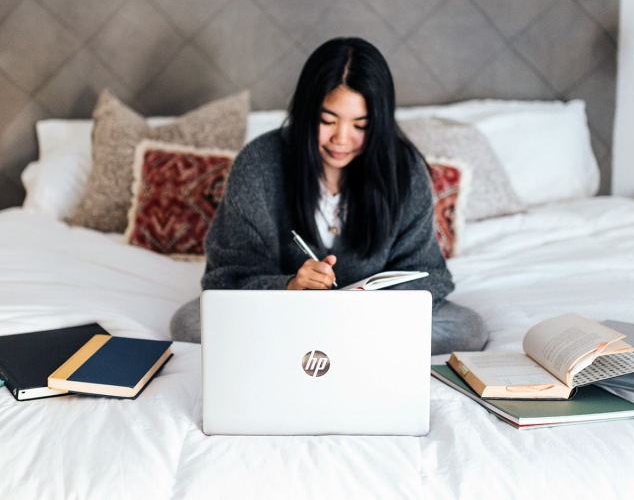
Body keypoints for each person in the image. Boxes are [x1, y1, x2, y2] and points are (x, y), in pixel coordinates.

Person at [171, 37, 488, 355]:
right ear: (306, 112)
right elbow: (226, 278)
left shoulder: (404, 171)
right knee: (190, 323)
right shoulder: (258, 164)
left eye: (361, 125)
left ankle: (313, 348)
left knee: (467, 329)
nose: (342, 138)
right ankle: (346, 349)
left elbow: (430, 274)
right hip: (283, 312)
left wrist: (368, 305)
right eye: (327, 121)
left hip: (370, 319)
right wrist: (290, 286)